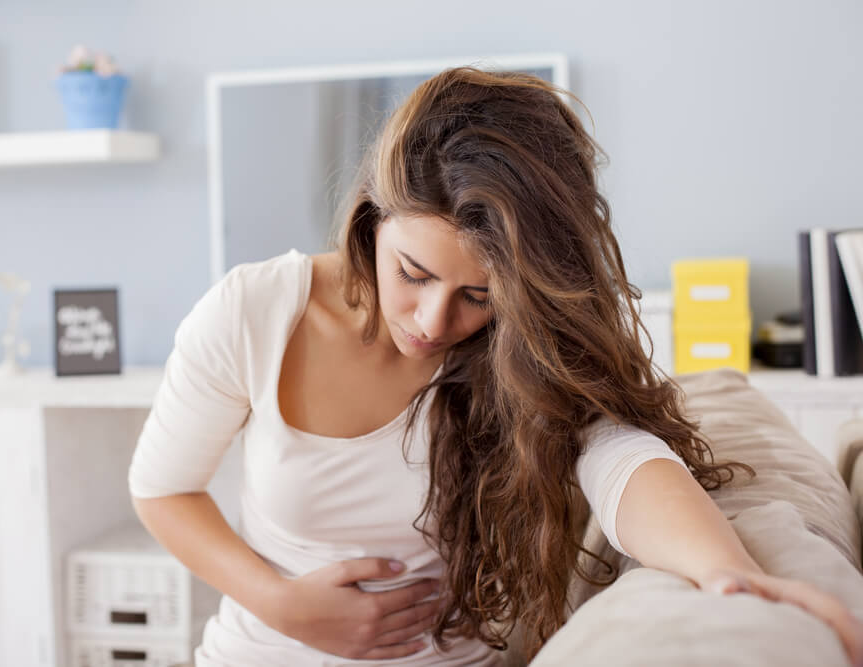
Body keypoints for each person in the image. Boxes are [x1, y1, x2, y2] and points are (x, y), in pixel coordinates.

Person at [129, 66, 863, 666]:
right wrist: (283, 603)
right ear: (371, 222)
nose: (433, 321)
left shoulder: (523, 352)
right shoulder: (255, 312)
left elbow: (623, 461)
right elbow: (162, 488)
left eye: (478, 295)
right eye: (412, 272)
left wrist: (729, 572)